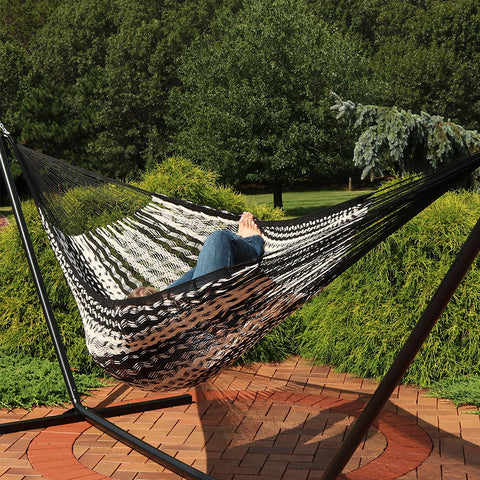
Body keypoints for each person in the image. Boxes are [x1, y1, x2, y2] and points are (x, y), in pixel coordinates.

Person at [127, 212, 264, 298]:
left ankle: (237, 248)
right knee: (219, 238)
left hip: (180, 303)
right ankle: (250, 243)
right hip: (205, 302)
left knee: (199, 268)